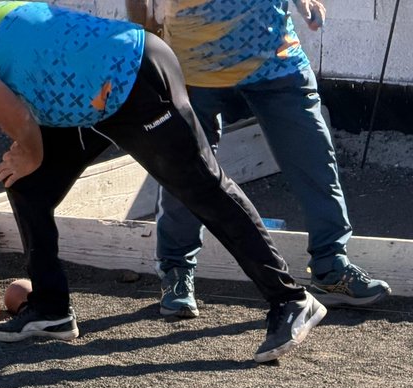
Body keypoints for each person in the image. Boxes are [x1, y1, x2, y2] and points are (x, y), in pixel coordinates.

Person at [0, 1, 326, 364]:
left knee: (202, 186)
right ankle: (51, 310)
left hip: (130, 73)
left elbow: (20, 122)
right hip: (86, 103)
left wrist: (30, 150)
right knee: (27, 184)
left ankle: (291, 299)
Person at [134, 0, 390, 318]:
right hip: (194, 61)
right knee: (186, 168)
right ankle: (176, 272)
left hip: (276, 56)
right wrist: (143, 35)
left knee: (314, 160)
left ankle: (331, 268)